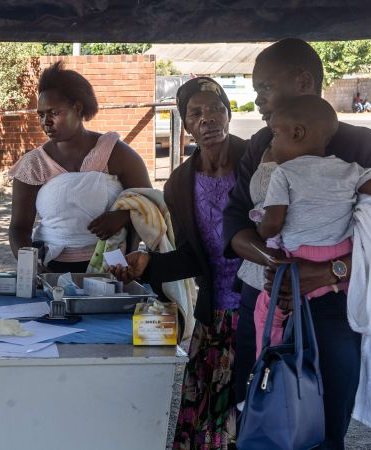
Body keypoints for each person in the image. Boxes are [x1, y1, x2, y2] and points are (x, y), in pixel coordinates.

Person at [222, 38, 371, 449]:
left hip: (332, 309)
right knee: (261, 412)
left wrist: (324, 271)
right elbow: (234, 223)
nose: (258, 100)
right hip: (264, 300)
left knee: (321, 423)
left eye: (264, 87)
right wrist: (277, 264)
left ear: (304, 81)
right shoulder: (259, 146)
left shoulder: (361, 147)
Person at [110, 77, 248, 449]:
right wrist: (147, 265)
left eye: (216, 109)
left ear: (229, 113)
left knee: (254, 414)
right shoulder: (180, 183)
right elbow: (192, 256)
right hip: (213, 318)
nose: (209, 119)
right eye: (196, 113)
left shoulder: (256, 161)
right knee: (204, 420)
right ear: (186, 125)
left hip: (260, 313)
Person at [251, 95, 371, 356]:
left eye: (275, 135)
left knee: (266, 311)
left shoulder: (284, 173)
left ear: (297, 133)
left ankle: (267, 360)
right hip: (340, 267)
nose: (272, 144)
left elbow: (273, 224)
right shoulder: (350, 170)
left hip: (300, 262)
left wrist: (261, 225)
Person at [9, 61, 151, 272]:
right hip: (52, 266)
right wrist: (34, 269)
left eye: (54, 113)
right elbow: (19, 229)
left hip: (113, 267)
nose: (45, 122)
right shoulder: (33, 165)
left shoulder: (115, 153)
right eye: (40, 115)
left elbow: (150, 203)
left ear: (77, 108)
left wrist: (122, 216)